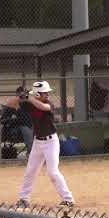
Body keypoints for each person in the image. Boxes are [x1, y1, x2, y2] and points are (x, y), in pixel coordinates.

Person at [16, 81, 75, 209]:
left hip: (51, 142)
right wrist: (21, 96)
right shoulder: (30, 104)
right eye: (45, 93)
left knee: (53, 172)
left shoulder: (48, 104)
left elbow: (43, 108)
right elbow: (16, 103)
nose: (48, 94)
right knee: (30, 171)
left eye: (47, 92)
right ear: (38, 93)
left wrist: (30, 98)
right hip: (38, 142)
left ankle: (68, 199)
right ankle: (24, 199)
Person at [1, 86, 34, 154]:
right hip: (15, 128)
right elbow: (3, 120)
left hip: (30, 126)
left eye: (26, 94)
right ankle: (31, 153)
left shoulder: (30, 104)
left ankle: (39, 152)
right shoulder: (12, 104)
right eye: (22, 95)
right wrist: (13, 120)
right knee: (25, 129)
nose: (25, 96)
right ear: (17, 95)